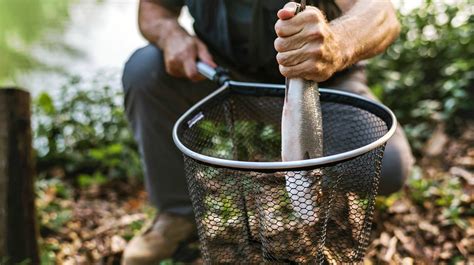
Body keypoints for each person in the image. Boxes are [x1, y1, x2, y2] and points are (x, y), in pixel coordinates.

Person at [121, 0, 414, 264]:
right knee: (144, 71)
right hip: (221, 77)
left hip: (321, 84)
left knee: (387, 166)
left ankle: (331, 192)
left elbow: (381, 13)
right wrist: (171, 34)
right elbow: (153, 8)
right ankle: (176, 215)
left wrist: (336, 43)